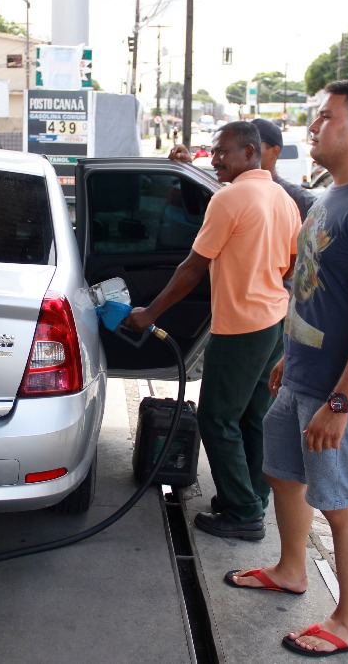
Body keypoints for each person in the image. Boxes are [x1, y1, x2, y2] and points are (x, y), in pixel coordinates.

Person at [224, 79, 348, 657]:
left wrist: (341, 402)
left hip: (345, 394)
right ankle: (290, 569)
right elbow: (319, 292)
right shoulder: (335, 193)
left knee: (338, 502)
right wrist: (290, 355)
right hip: (303, 376)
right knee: (284, 474)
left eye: (324, 117)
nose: (311, 127)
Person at [126, 121, 301, 540]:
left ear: (250, 152)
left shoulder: (229, 198)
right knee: (253, 416)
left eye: (223, 151)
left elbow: (192, 268)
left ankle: (242, 513)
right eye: (214, 150)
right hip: (273, 320)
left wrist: (149, 313)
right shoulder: (282, 197)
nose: (216, 158)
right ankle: (252, 497)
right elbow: (293, 263)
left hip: (240, 326)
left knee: (217, 418)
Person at [251, 118, 316, 221]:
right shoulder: (233, 193)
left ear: (274, 152)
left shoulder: (296, 197)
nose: (245, 151)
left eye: (252, 145)